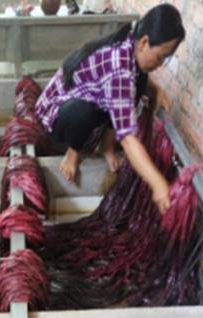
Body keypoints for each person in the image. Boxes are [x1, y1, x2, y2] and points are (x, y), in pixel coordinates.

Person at [34, 4, 186, 214]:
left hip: (91, 99)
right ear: (144, 42)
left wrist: (155, 90)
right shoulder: (119, 69)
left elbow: (129, 86)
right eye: (161, 56)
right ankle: (73, 151)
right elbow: (128, 138)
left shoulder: (131, 41)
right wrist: (158, 183)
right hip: (56, 112)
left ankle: (106, 145)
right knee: (83, 112)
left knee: (135, 86)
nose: (160, 64)